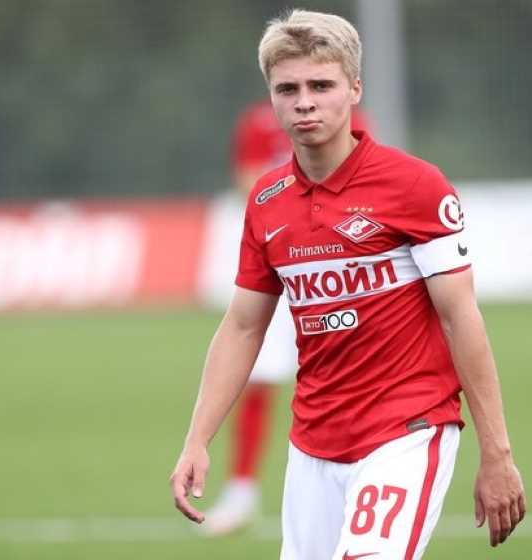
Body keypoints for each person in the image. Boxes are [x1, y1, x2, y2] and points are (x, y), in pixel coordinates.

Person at [172, 9, 526, 559]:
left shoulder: (414, 186)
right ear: (271, 98)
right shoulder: (266, 202)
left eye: (321, 86)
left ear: (354, 89)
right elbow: (243, 327)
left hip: (405, 432)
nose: (304, 102)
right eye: (287, 89)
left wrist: (497, 453)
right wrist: (197, 439)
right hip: (313, 448)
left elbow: (461, 318)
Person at [197, 98, 370, 536]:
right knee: (256, 375)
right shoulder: (258, 121)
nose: (303, 98)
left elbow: (365, 183)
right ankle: (241, 491)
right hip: (282, 258)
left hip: (335, 265)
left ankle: (360, 481)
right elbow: (249, 183)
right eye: (289, 85)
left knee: (351, 377)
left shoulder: (349, 117)